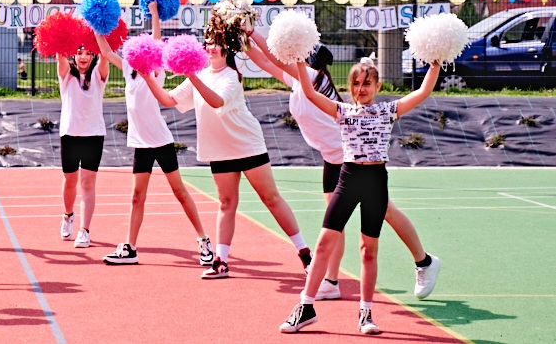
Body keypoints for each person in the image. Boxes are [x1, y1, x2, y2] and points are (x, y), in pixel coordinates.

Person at [247, 36, 441, 301]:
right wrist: (243, 39)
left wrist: (255, 31)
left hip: (349, 159)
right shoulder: (297, 81)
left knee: (384, 213)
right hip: (333, 158)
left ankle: (424, 261)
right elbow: (264, 61)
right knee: (335, 223)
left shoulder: (318, 79)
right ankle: (332, 281)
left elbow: (272, 56)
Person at [280, 58, 441, 335]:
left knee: (368, 251)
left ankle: (366, 314)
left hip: (376, 183)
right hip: (348, 180)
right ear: (349, 87)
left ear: (377, 85)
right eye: (355, 83)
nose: (361, 88)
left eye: (367, 83)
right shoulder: (341, 111)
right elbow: (308, 92)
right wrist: (296, 58)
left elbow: (423, 91)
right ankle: (305, 308)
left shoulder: (388, 110)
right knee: (323, 244)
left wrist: (436, 62)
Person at [141, 32, 313, 280]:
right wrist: (148, 77)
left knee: (270, 198)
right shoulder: (199, 75)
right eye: (208, 43)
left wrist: (192, 75)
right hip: (220, 150)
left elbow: (216, 101)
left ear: (227, 50)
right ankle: (221, 261)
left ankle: (305, 254)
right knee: (226, 203)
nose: (210, 48)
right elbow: (169, 100)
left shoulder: (231, 76)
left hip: (247, 145)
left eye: (217, 44)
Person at [96, 1, 213, 266]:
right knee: (137, 196)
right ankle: (131, 248)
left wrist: (155, 14)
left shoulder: (156, 70)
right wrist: (95, 23)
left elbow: (157, 40)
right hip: (141, 143)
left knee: (180, 192)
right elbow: (104, 49)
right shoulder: (128, 69)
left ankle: (204, 241)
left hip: (161, 141)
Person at [56, 40, 110, 248]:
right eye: (79, 53)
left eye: (88, 53)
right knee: (70, 181)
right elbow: (60, 56)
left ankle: (84, 230)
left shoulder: (98, 74)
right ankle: (68, 215)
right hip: (69, 135)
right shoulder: (66, 75)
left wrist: (102, 34)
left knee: (87, 183)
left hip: (93, 136)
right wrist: (60, 37)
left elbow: (105, 56)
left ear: (93, 56)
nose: (84, 57)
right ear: (74, 56)